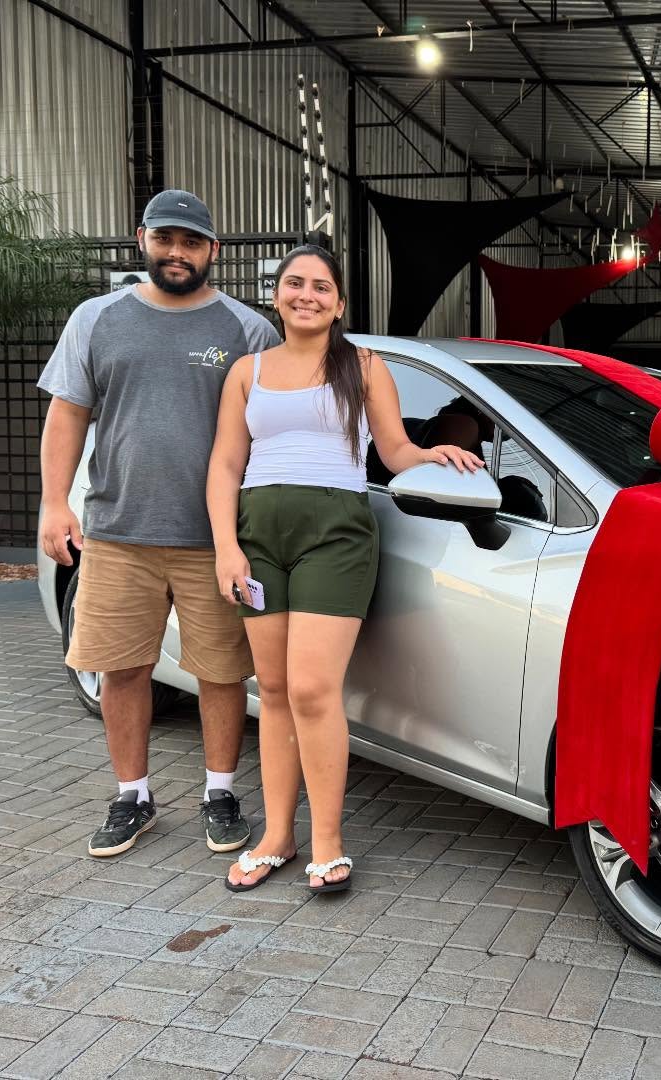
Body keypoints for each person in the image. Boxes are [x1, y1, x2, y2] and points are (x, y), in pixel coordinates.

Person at [206, 243, 482, 894]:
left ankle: (327, 840)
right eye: (294, 283)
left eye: (321, 287)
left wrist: (436, 454)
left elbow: (395, 449)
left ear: (339, 305)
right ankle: (278, 835)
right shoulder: (247, 371)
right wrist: (226, 547)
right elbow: (225, 463)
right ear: (276, 295)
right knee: (273, 689)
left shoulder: (363, 366)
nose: (306, 294)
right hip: (258, 536)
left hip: (336, 536)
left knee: (311, 689)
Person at [37, 190, 281, 859]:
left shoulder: (248, 330)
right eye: (166, 239)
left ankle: (220, 794)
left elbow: (273, 429)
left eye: (192, 242)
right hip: (118, 533)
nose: (178, 253)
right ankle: (133, 797)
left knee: (221, 673)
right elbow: (67, 415)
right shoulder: (96, 319)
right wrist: (54, 503)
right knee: (122, 669)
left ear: (213, 251)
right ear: (142, 238)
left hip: (215, 541)